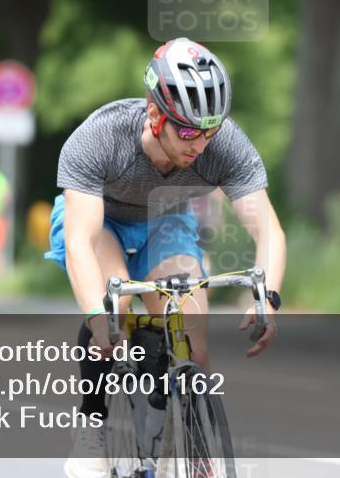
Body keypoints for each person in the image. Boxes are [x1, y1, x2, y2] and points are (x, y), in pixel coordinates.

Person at [44, 37, 286, 478]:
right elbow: (81, 241)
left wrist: (267, 297)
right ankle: (91, 428)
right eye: (190, 131)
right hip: (100, 221)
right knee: (114, 305)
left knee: (192, 332)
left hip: (165, 217)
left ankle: (185, 439)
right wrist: (98, 320)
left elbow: (267, 227)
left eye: (210, 131)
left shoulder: (222, 144)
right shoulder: (101, 137)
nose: (201, 144)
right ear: (155, 116)